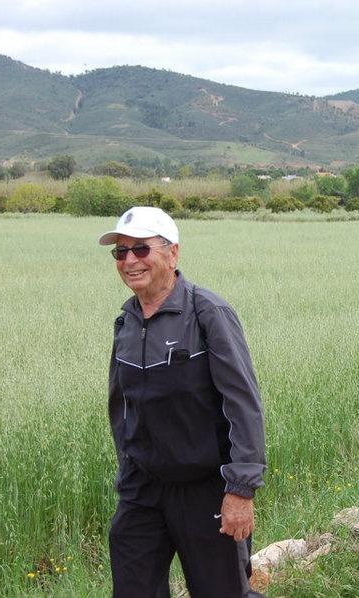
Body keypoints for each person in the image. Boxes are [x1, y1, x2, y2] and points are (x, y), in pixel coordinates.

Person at [98, 206, 267, 598]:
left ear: (172, 253)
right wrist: (128, 471)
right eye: (120, 253)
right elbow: (120, 407)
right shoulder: (126, 322)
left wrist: (241, 489)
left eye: (141, 250)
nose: (129, 261)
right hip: (142, 489)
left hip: (205, 488)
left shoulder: (208, 313)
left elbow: (243, 403)